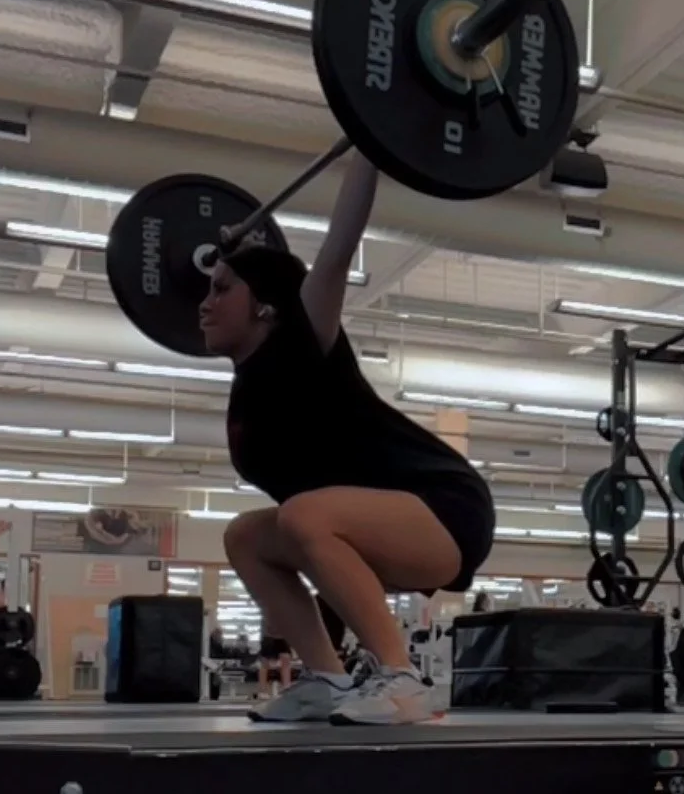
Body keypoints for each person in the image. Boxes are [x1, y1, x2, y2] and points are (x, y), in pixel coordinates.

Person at [199, 149, 495, 726]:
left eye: (221, 288)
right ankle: (327, 681)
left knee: (302, 514)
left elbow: (338, 246)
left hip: (446, 511)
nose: (204, 303)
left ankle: (402, 679)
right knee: (246, 535)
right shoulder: (248, 394)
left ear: (265, 306)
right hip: (362, 521)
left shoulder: (305, 341)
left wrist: (369, 142)